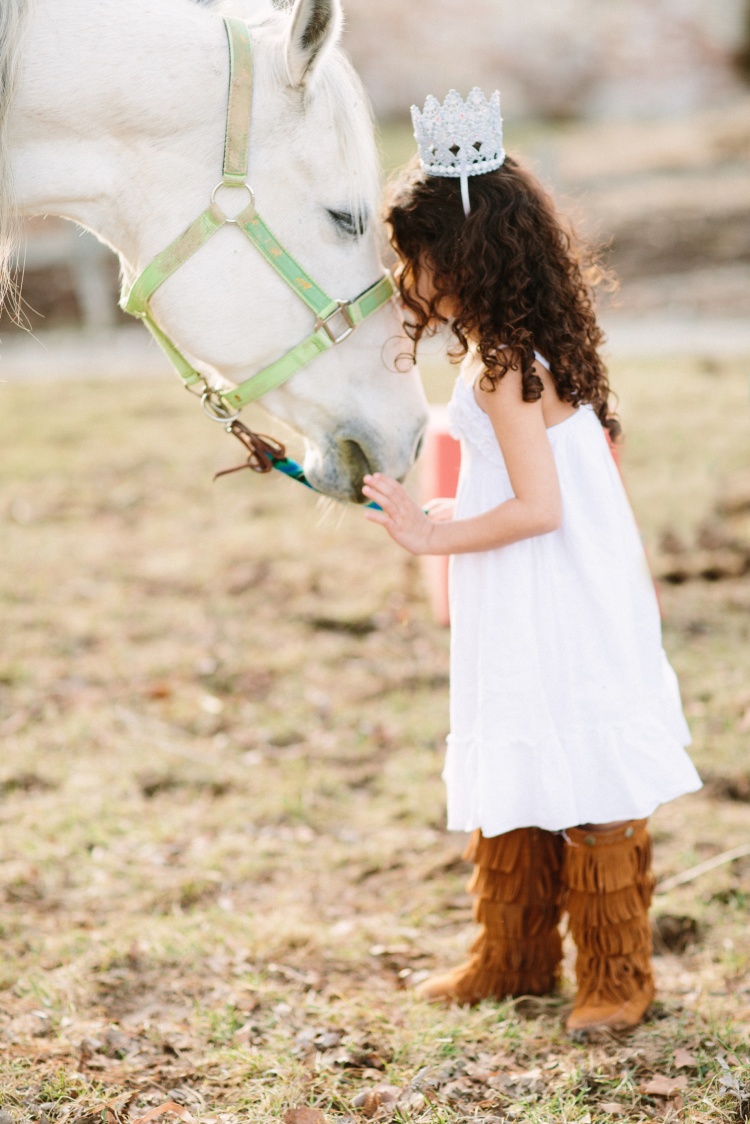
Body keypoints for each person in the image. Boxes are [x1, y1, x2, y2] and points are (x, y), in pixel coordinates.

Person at [361, 89, 702, 1033]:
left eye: (411, 257)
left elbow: (537, 509)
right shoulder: (518, 344)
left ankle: (617, 974)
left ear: (459, 256)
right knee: (522, 745)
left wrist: (432, 534)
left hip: (552, 589)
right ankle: (509, 955)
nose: (404, 276)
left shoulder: (503, 363)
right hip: (540, 585)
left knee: (579, 760)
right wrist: (440, 514)